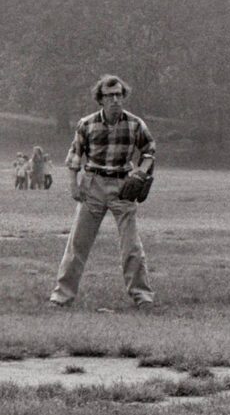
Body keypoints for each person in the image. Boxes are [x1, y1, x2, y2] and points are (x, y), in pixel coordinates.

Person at [48, 75, 156, 308]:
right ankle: (61, 296)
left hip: (123, 186)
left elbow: (149, 150)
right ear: (101, 99)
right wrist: (73, 185)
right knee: (78, 243)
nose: (115, 99)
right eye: (109, 96)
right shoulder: (86, 124)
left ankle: (142, 297)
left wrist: (141, 172)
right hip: (93, 184)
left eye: (118, 94)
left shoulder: (135, 124)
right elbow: (74, 158)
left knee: (132, 245)